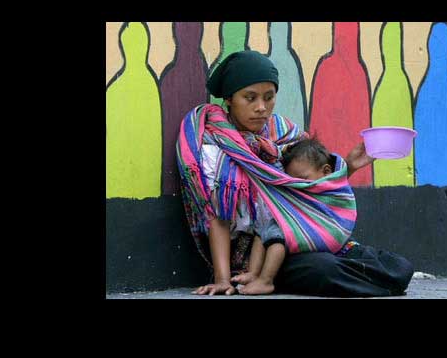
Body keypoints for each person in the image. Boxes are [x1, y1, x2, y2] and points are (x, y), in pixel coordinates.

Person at [176, 50, 414, 297]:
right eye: (250, 98)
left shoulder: (284, 133)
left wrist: (350, 166)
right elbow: (219, 217)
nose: (261, 107)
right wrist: (222, 279)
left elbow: (309, 188)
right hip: (261, 254)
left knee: (400, 268)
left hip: (302, 235)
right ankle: (266, 279)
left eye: (269, 97)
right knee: (324, 269)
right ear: (229, 99)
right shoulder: (216, 146)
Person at [230, 137, 334, 295]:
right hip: (296, 223)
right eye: (293, 181)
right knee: (262, 231)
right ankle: (254, 273)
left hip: (313, 233)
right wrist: (282, 151)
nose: (297, 185)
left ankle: (266, 280)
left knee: (277, 235)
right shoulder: (302, 179)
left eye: (303, 179)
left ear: (326, 171)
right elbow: (274, 170)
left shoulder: (330, 187)